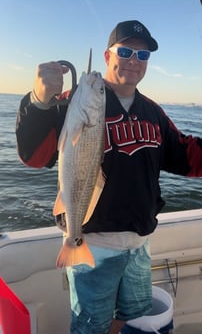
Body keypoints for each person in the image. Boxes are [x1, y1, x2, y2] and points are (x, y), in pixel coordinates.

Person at [16, 20, 202, 334]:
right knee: (91, 325)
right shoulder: (71, 104)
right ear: (107, 56)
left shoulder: (152, 111)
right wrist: (38, 99)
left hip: (139, 243)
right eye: (126, 51)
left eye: (143, 56)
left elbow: (185, 155)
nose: (134, 60)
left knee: (132, 315)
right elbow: (34, 156)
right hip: (93, 241)